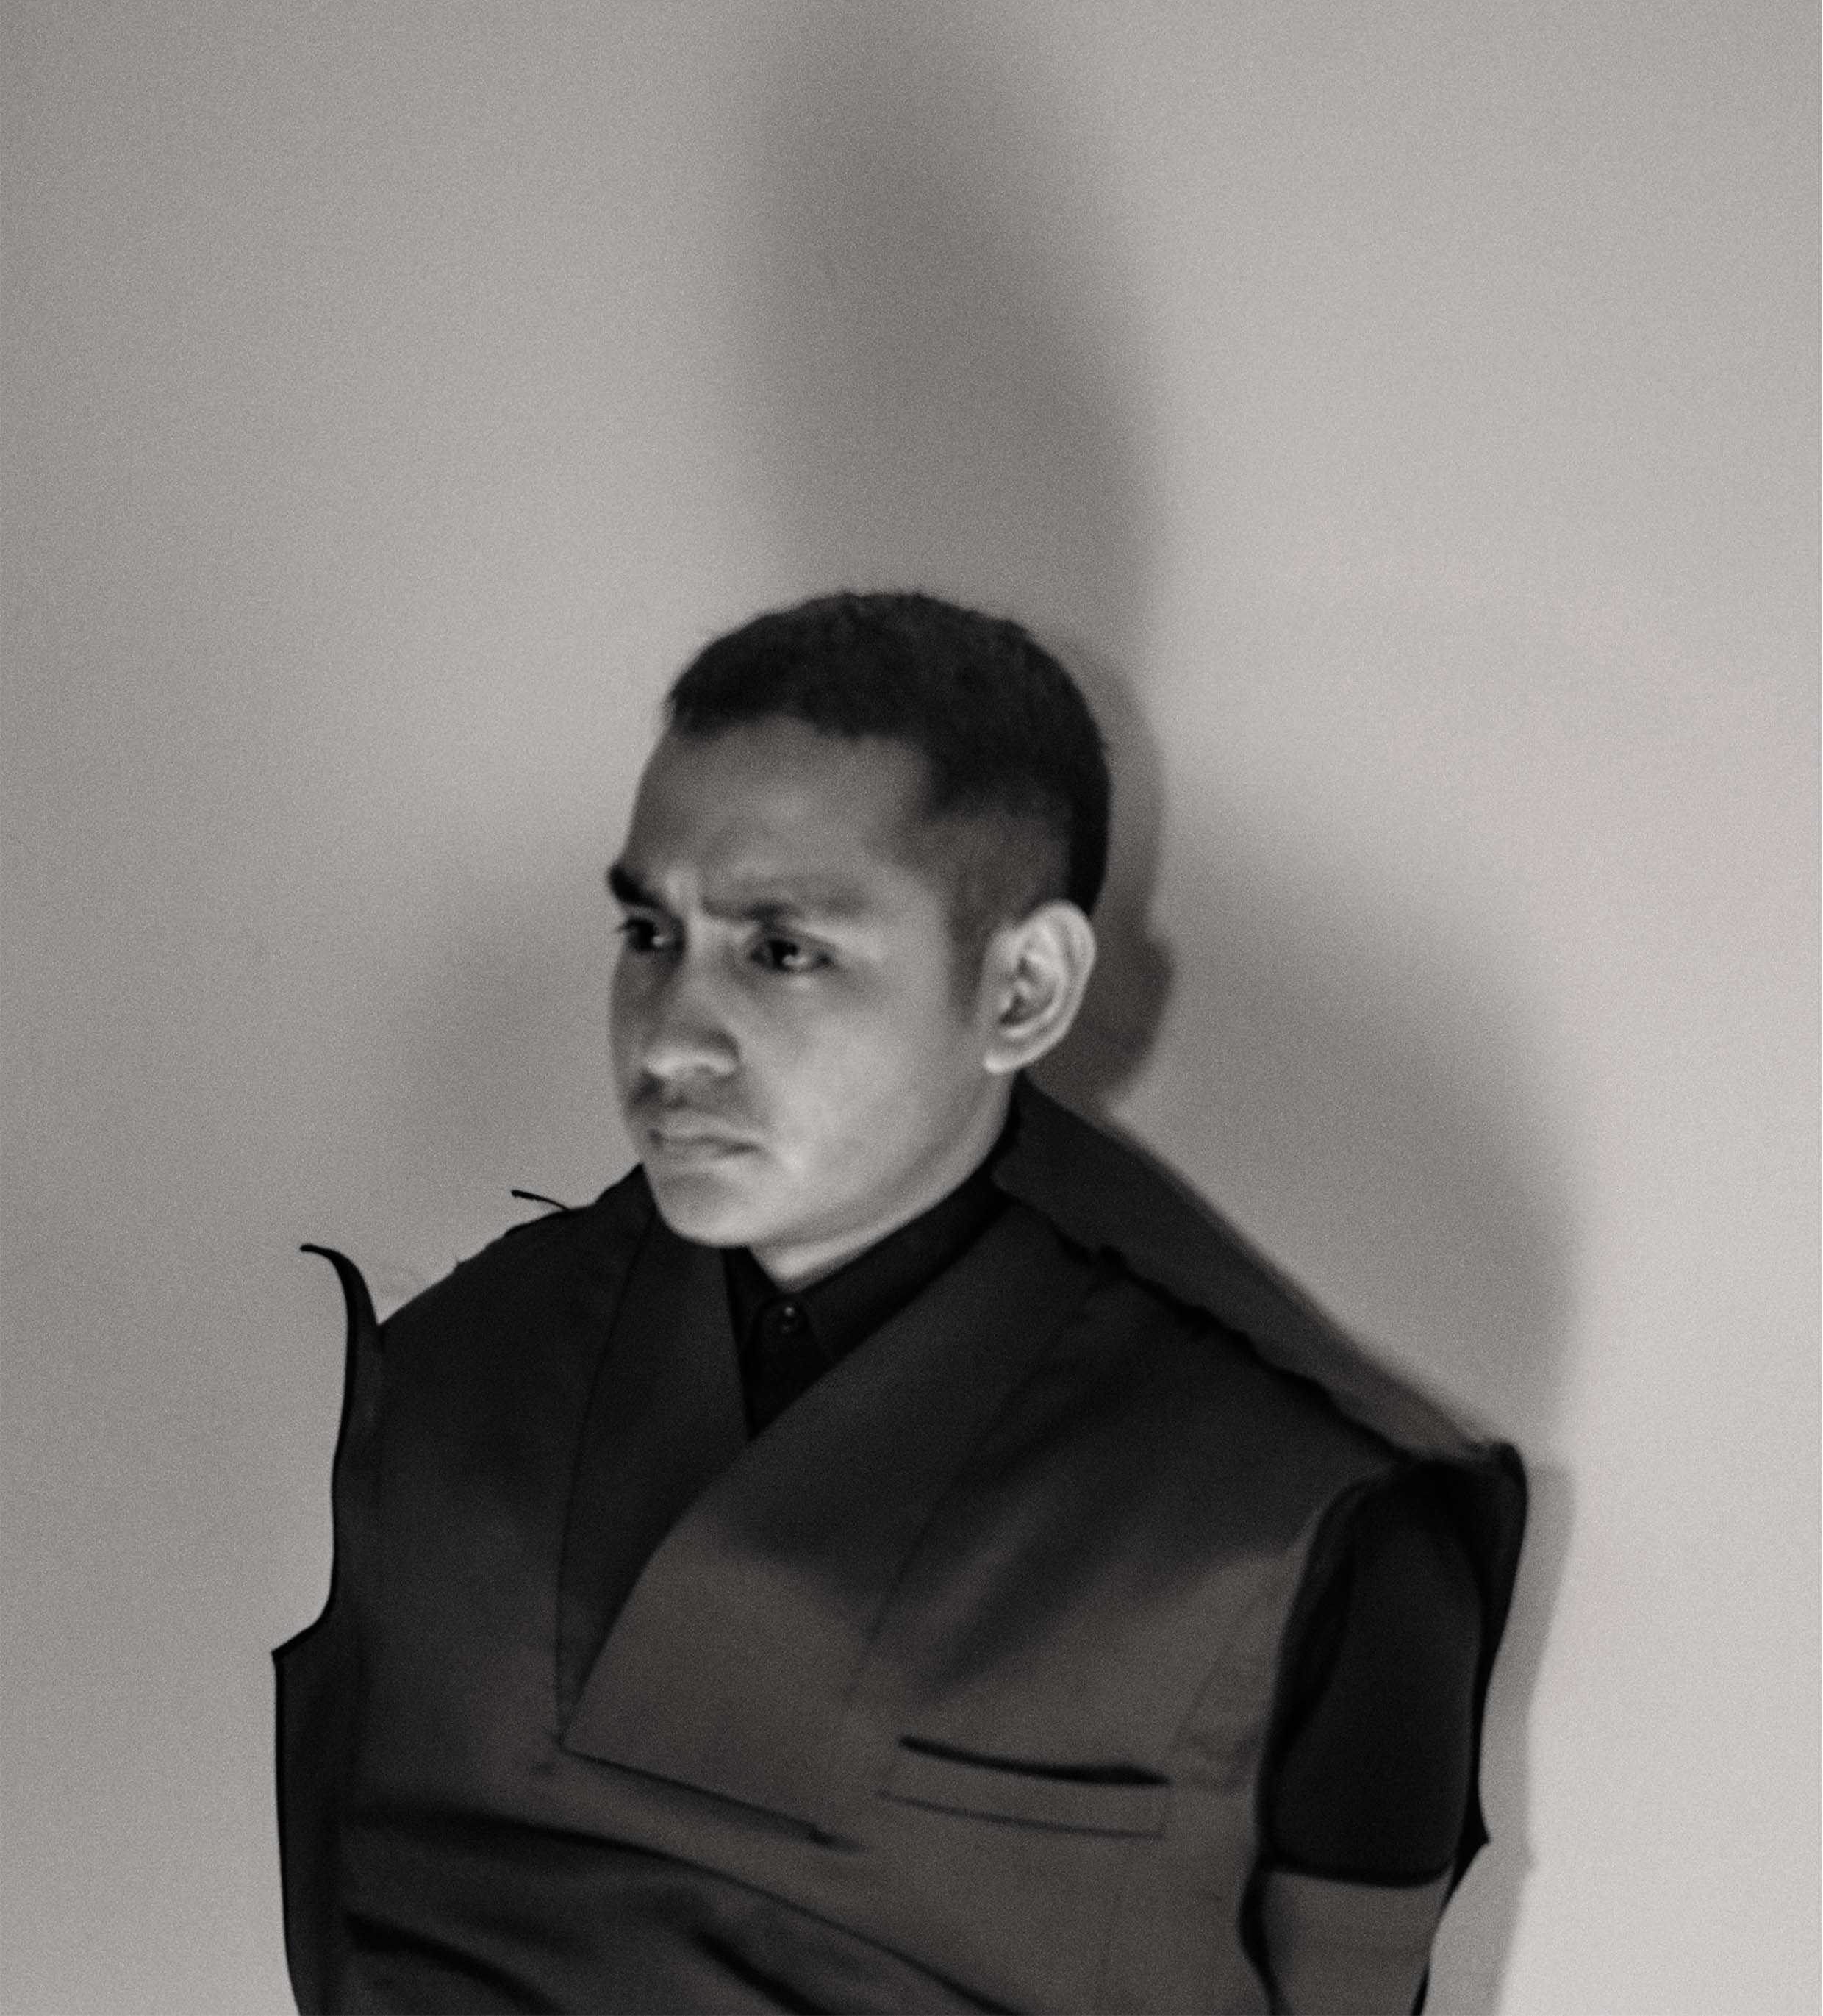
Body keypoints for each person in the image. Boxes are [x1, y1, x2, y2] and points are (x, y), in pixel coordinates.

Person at [276, 590, 1525, 2015]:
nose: (670, 1039)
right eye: (648, 931)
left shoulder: (1302, 1524)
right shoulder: (457, 1371)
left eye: (782, 950)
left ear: (1022, 988)